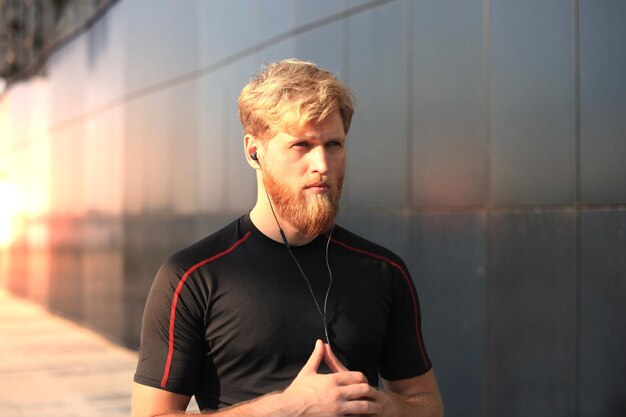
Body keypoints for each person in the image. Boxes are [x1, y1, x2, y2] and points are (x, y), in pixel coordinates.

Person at [131, 59, 443, 417]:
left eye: (334, 145)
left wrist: (381, 404)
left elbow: (427, 404)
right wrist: (285, 408)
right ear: (254, 151)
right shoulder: (191, 276)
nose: (322, 164)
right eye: (301, 145)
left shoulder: (384, 271)